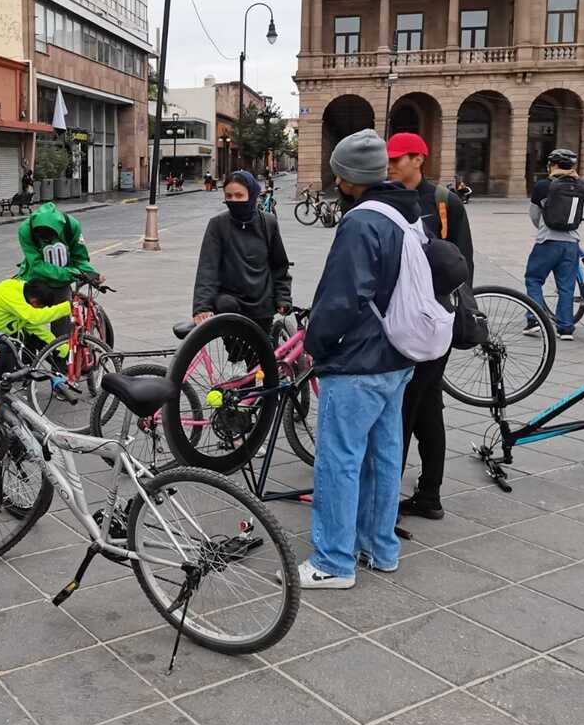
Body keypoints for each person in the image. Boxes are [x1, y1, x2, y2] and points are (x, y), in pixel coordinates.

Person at [301, 129, 417, 588]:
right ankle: (380, 547)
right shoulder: (406, 212)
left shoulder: (362, 221)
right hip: (398, 354)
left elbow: (342, 297)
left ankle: (333, 562)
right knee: (384, 456)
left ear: (348, 178)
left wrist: (317, 345)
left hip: (359, 359)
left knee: (339, 459)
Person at [386, 132, 475, 521]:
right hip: (400, 319)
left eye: (397, 159)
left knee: (405, 408)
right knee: (427, 408)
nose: (391, 165)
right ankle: (429, 495)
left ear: (418, 159)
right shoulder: (386, 196)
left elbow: (462, 263)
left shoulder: (444, 201)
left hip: (431, 322)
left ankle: (390, 496)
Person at [524, 148, 584, 341]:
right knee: (566, 286)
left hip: (547, 242)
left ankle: (534, 320)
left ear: (552, 165)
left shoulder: (543, 186)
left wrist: (543, 227)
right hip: (571, 244)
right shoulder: (582, 186)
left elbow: (534, 215)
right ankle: (565, 328)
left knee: (534, 279)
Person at [192, 170, 292, 333]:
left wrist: (283, 298)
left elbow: (279, 266)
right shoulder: (217, 225)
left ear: (251, 195)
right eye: (229, 196)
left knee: (261, 356)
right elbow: (207, 269)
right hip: (230, 304)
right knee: (237, 348)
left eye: (239, 195)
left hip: (262, 304)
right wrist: (202, 307)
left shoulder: (268, 223)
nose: (233, 200)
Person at [15, 202, 101, 335]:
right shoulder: (26, 229)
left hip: (61, 284)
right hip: (35, 280)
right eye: (42, 237)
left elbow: (80, 256)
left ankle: (60, 353)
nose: (47, 241)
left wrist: (89, 273)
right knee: (30, 324)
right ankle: (32, 353)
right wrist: (72, 273)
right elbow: (36, 264)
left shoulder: (71, 226)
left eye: (50, 236)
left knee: (61, 327)